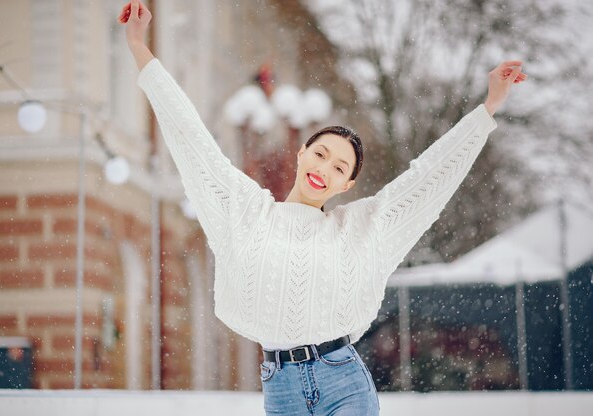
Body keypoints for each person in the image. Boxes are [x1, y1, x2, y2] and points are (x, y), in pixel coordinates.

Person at [119, 1, 527, 414]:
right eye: (320, 154)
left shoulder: (360, 227)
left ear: (347, 183)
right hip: (279, 387)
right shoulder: (248, 213)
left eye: (339, 166)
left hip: (343, 380)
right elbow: (195, 146)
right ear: (301, 153)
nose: (324, 168)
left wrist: (487, 109)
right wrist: (140, 49)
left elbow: (425, 184)